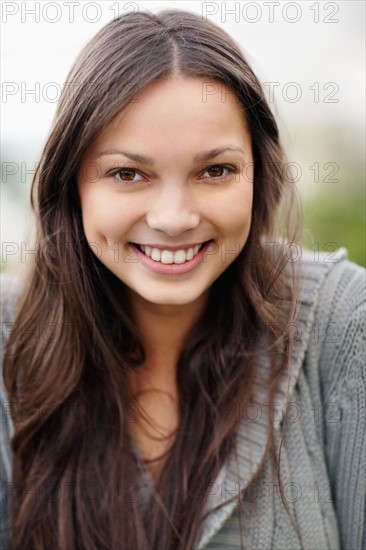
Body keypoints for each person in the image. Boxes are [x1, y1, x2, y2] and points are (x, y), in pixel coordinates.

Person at [1, 9, 365, 550]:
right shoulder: (10, 339)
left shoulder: (345, 322)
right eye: (128, 174)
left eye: (214, 170)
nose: (174, 218)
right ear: (71, 185)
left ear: (257, 175)